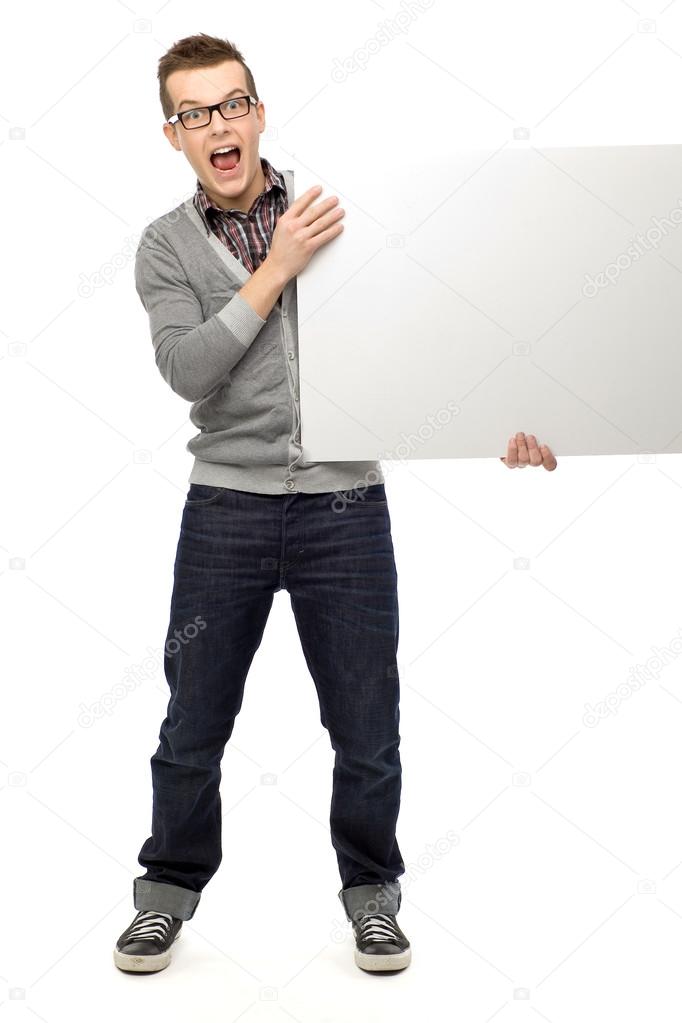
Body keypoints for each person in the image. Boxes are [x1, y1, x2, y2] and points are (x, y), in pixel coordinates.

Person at [113, 32, 557, 976]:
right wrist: (275, 269)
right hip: (224, 512)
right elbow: (188, 370)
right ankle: (166, 895)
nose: (218, 125)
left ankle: (372, 896)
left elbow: (426, 345)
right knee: (193, 720)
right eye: (195, 113)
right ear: (174, 135)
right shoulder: (164, 247)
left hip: (345, 509)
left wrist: (506, 424)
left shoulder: (342, 216)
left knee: (367, 722)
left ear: (259, 112)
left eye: (232, 103)